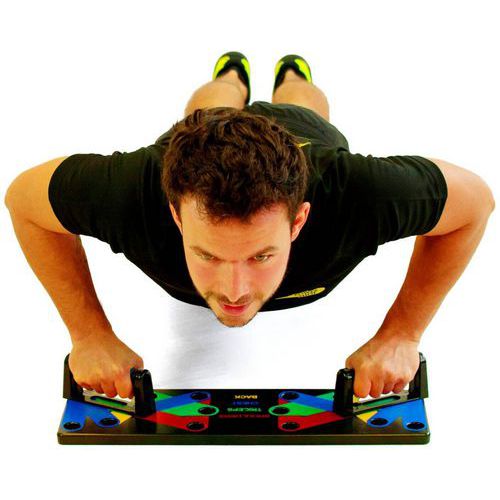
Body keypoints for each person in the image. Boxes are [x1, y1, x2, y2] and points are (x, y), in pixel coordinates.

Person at [5, 52, 495, 401]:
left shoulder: (357, 195)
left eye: (261, 255)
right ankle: (231, 75)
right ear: (175, 215)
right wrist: (89, 335)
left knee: (302, 108)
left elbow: (475, 203)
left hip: (300, 134)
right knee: (209, 112)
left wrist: (402, 334)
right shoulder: (132, 191)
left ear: (299, 220)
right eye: (208, 254)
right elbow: (23, 200)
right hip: (202, 135)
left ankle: (291, 71)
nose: (234, 290)